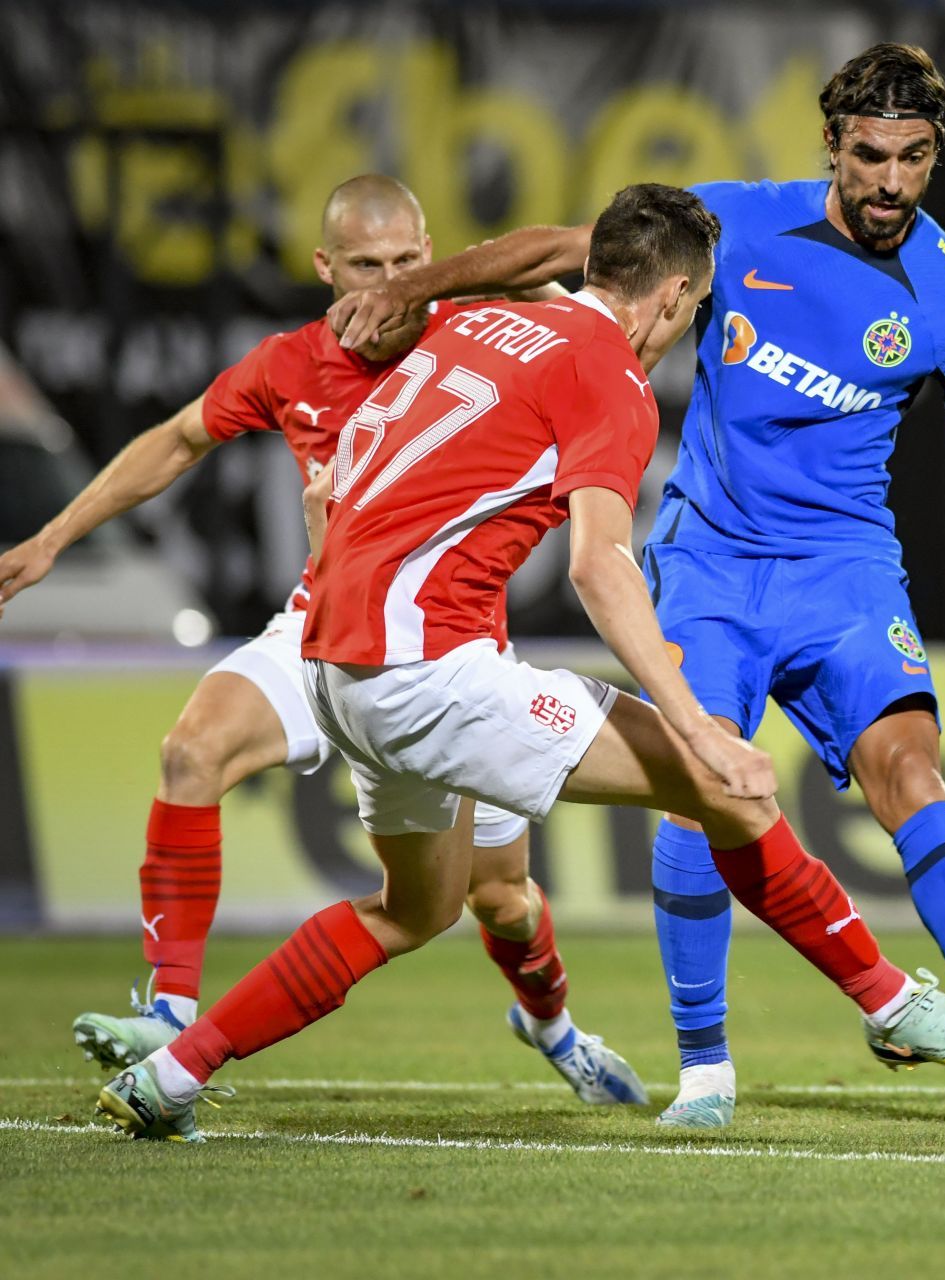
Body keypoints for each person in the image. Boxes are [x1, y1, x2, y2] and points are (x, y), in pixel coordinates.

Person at [93, 182, 945, 1143]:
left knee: (414, 911)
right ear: (672, 296)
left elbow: (360, 467)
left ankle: (172, 1074)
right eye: (697, 308)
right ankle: (892, 1004)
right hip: (428, 668)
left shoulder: (480, 327)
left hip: (331, 659)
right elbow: (598, 566)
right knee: (728, 791)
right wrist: (693, 726)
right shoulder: (612, 378)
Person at [328, 43, 945, 1125]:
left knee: (909, 765)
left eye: (915, 158)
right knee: (697, 794)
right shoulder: (737, 224)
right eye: (871, 155)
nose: (891, 181)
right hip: (708, 560)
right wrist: (418, 281)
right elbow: (564, 249)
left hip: (846, 566)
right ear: (833, 149)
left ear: (939, 155)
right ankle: (705, 1065)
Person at [0, 176, 648, 1108]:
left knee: (499, 898)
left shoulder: (480, 332)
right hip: (323, 629)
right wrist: (52, 539)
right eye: (368, 267)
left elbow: (584, 259)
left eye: (408, 262)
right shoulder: (291, 363)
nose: (392, 283)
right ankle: (172, 1012)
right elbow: (179, 439)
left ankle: (552, 1025)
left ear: (434, 252)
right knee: (192, 750)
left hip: (449, 651)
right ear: (324, 269)